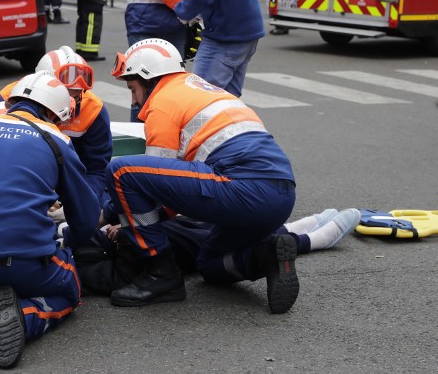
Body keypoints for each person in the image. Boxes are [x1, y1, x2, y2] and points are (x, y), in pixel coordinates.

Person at [105, 38, 298, 311]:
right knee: (209, 265)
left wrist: (108, 215)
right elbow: (171, 194)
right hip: (281, 197)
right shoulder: (203, 90)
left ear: (148, 78)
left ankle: (161, 273)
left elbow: (145, 184)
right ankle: (266, 257)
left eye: (133, 88)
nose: (134, 101)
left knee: (121, 170)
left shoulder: (162, 102)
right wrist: (138, 218)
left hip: (242, 189)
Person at [0, 71, 100, 368]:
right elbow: (87, 218)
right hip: (21, 263)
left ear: (11, 100)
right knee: (70, 291)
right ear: (54, 112)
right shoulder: (56, 140)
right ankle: (26, 318)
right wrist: (69, 241)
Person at [79, 208, 361, 296]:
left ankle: (305, 232)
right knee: (232, 237)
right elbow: (112, 275)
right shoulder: (101, 255)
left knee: (218, 238)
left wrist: (119, 229)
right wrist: (124, 232)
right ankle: (311, 235)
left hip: (174, 236)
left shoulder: (98, 245)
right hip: (179, 240)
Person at [0, 46, 112, 204]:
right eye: (64, 96)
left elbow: (97, 171)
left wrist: (80, 200)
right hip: (20, 182)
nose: (69, 106)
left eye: (77, 95)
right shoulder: (8, 98)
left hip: (72, 185)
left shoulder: (93, 110)